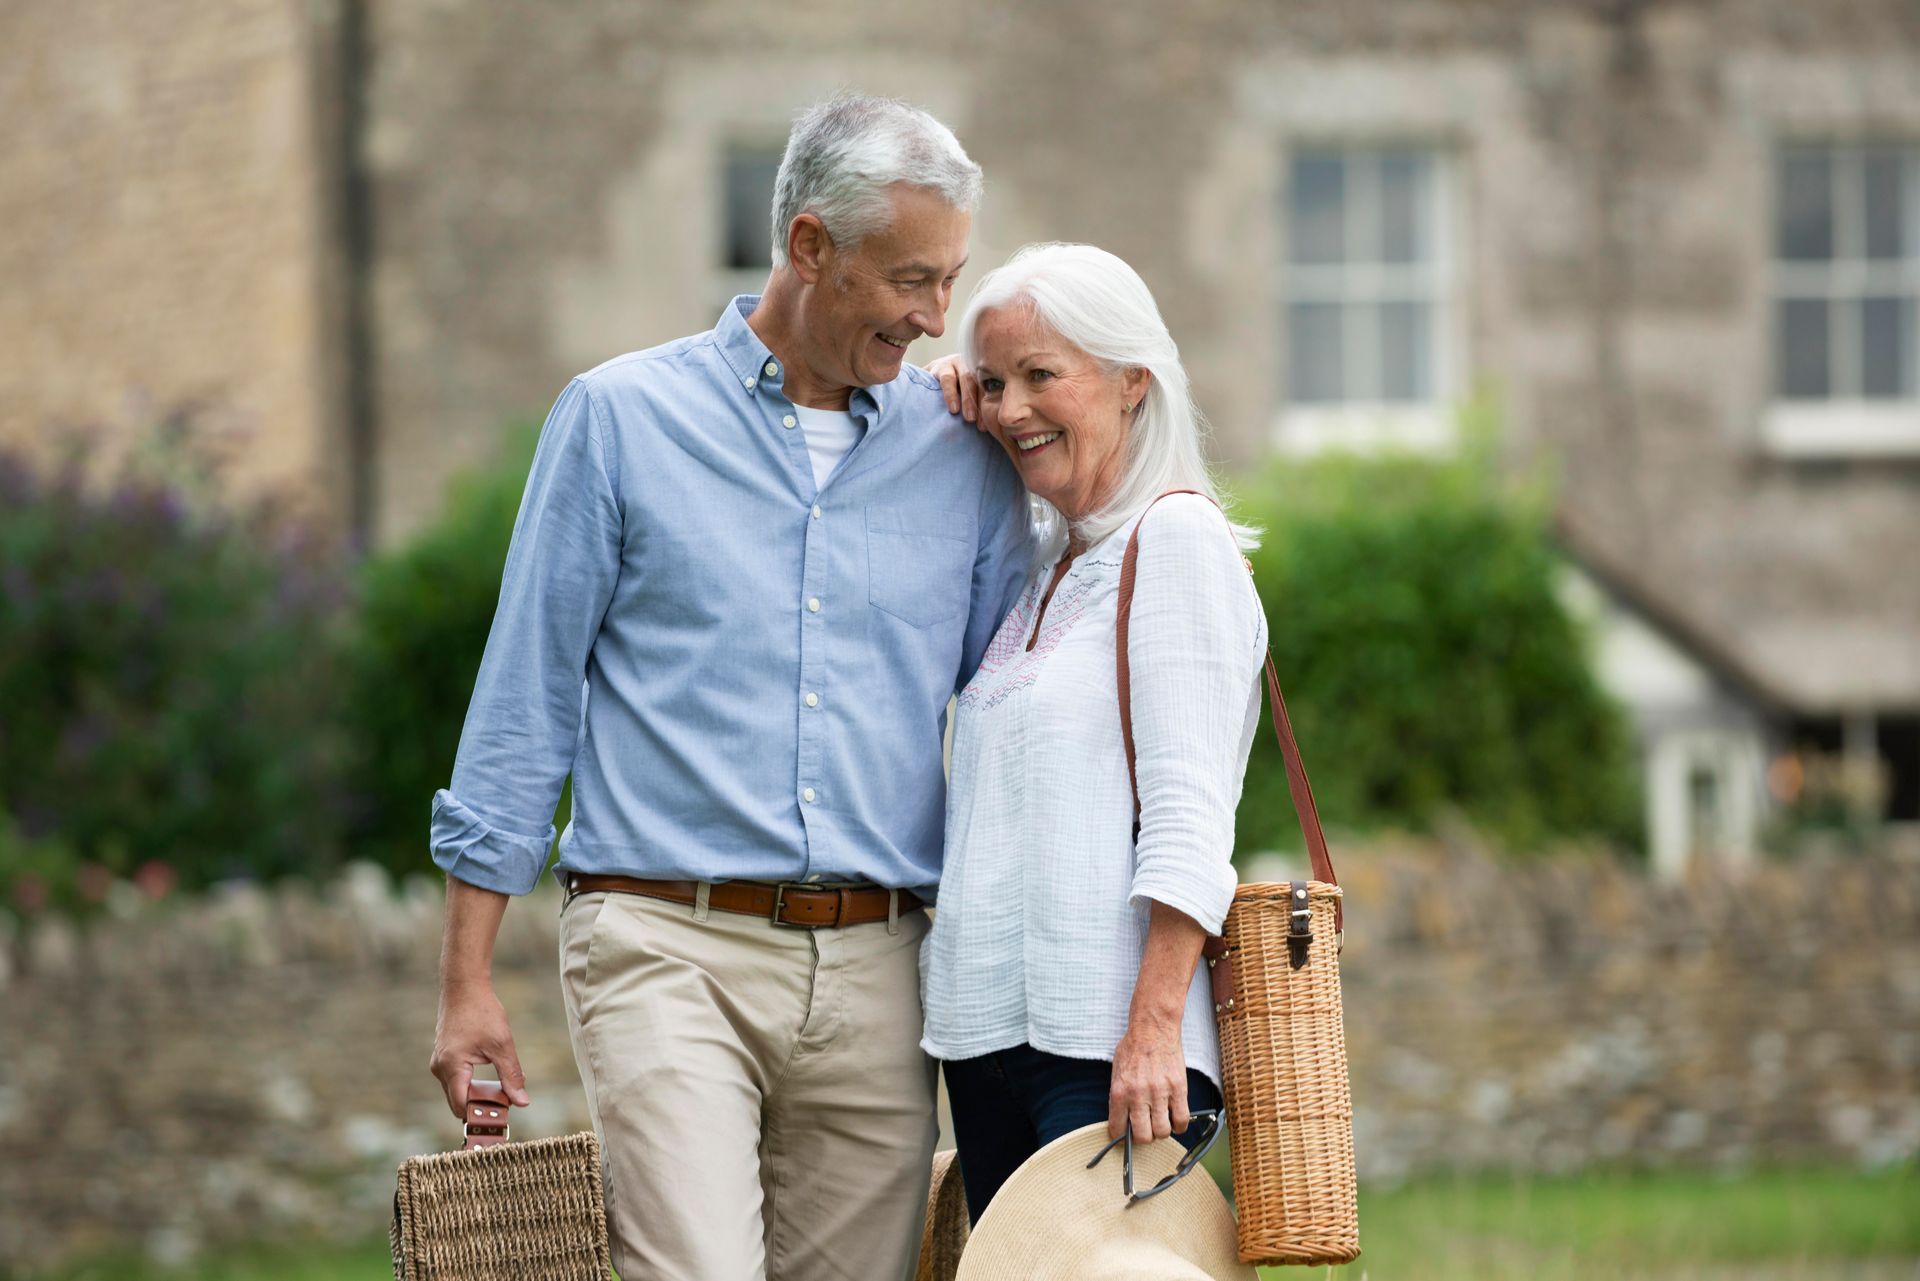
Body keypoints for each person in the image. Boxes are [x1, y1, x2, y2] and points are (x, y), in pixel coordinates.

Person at [427, 95, 1031, 1281]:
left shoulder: (961, 456)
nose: (936, 315)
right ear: (810, 247)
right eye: (911, 277)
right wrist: (463, 983)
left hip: (880, 966)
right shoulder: (618, 422)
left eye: (951, 279)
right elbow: (523, 700)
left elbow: (1026, 699)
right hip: (665, 943)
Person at [919, 243, 1267, 1224]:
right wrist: (938, 415)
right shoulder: (1041, 565)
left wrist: (1154, 1027)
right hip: (985, 1044)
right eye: (995, 382)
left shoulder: (1175, 543)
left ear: (1131, 383)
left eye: (1041, 375)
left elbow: (1192, 816)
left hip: (1110, 1047)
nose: (1013, 407)